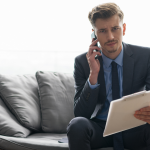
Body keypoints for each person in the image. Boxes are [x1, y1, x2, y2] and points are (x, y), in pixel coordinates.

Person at [66, 2, 150, 150]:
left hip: (135, 128)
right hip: (101, 129)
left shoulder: (145, 56)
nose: (110, 36)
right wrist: (94, 74)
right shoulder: (82, 62)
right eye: (103, 31)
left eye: (115, 29)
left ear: (123, 29)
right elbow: (81, 113)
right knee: (77, 124)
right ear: (94, 34)